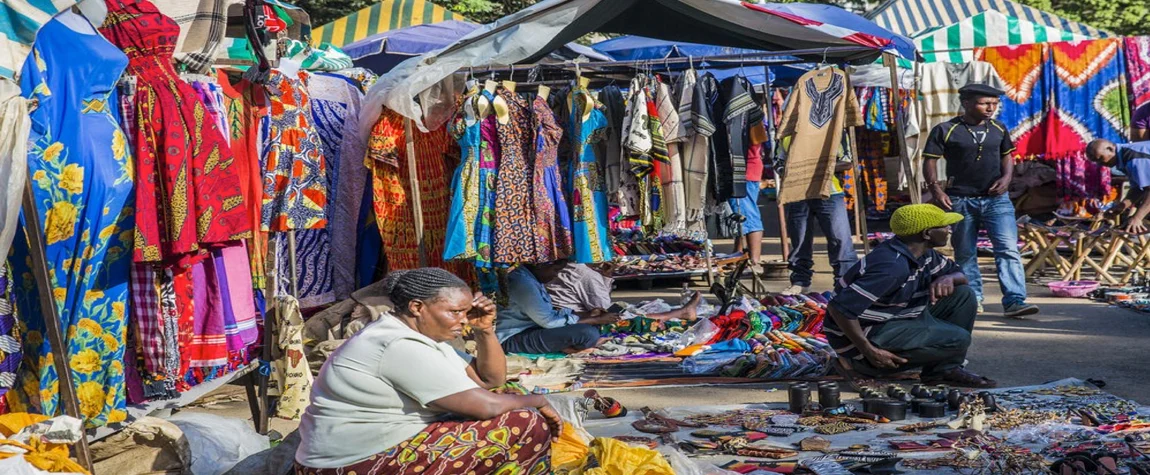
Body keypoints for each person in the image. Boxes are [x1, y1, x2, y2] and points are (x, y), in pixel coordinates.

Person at [295, 268, 560, 475]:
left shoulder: (414, 336)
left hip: (358, 454)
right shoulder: (395, 344)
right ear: (417, 307)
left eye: (466, 313)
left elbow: (491, 381)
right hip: (352, 464)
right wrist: (539, 400)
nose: (464, 320)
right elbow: (485, 406)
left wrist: (485, 330)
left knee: (511, 393)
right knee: (524, 422)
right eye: (455, 312)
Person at [826, 204, 996, 388]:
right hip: (870, 329)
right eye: (944, 226)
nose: (949, 230)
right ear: (926, 234)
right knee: (958, 339)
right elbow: (839, 309)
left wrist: (949, 278)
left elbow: (961, 276)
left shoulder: (925, 254)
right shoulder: (892, 267)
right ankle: (860, 365)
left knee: (963, 295)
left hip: (898, 315)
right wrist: (868, 350)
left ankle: (943, 371)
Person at [922, 83, 1039, 319]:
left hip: (997, 200)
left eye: (994, 104)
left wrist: (1007, 178)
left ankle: (1015, 300)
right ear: (965, 103)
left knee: (1007, 249)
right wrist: (936, 190)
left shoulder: (999, 128)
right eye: (984, 103)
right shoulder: (946, 129)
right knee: (965, 251)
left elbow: (1008, 156)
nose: (990, 108)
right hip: (961, 199)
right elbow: (930, 161)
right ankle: (973, 299)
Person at [497, 259, 621, 354]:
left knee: (588, 330)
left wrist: (585, 315)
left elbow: (549, 313)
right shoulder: (524, 284)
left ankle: (565, 345)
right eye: (555, 270)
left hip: (531, 328)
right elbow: (549, 321)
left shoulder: (529, 278)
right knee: (587, 333)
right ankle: (567, 348)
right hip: (511, 338)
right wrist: (594, 319)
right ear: (541, 265)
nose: (556, 276)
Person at [781, 173, 860, 295]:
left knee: (839, 238)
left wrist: (823, 165)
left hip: (830, 190)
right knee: (800, 238)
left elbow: (846, 161)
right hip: (797, 191)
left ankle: (845, 283)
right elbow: (779, 162)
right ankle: (800, 281)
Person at [545, 261, 704, 318]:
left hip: (568, 314)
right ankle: (678, 313)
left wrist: (606, 278)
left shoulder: (570, 267)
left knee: (627, 310)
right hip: (576, 318)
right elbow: (604, 308)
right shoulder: (583, 273)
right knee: (626, 318)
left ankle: (678, 312)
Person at [1086, 139, 1150, 234]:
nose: (1099, 164)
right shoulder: (1125, 157)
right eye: (1096, 161)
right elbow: (1138, 188)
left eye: (1100, 158)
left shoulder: (1134, 157)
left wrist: (1137, 218)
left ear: (1110, 149)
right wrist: (1121, 206)